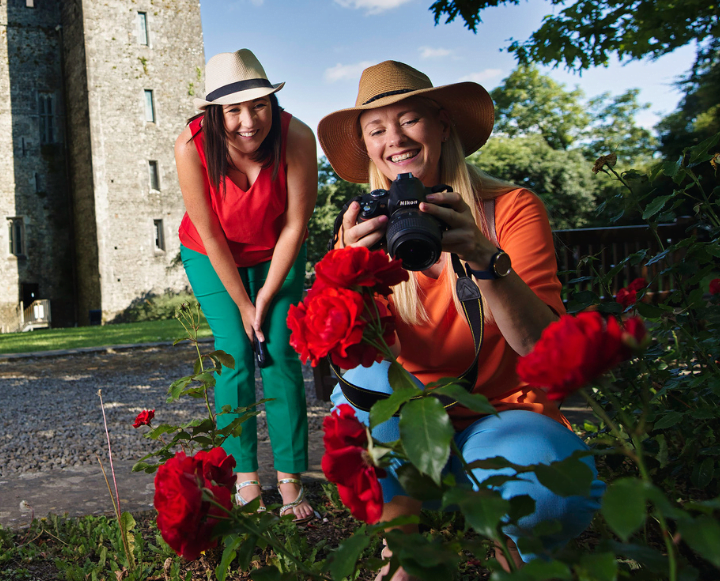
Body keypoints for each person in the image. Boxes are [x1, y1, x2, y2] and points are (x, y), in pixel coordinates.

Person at [316, 60, 603, 572]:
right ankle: (403, 550)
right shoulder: (364, 226)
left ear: (442, 124)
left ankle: (510, 540)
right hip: (405, 420)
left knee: (556, 495)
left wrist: (484, 256)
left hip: (503, 414)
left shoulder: (509, 209)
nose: (394, 139)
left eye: (409, 120)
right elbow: (349, 358)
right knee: (361, 391)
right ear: (367, 148)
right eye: (376, 129)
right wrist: (348, 273)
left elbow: (543, 351)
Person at [176, 49, 319, 520]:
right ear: (215, 114)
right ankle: (245, 482)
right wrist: (242, 302)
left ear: (272, 104)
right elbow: (211, 232)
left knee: (278, 348)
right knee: (234, 351)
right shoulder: (190, 146)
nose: (248, 120)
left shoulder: (297, 135)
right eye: (233, 110)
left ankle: (291, 481)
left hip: (278, 249)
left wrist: (265, 296)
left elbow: (296, 225)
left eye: (258, 104)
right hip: (211, 254)